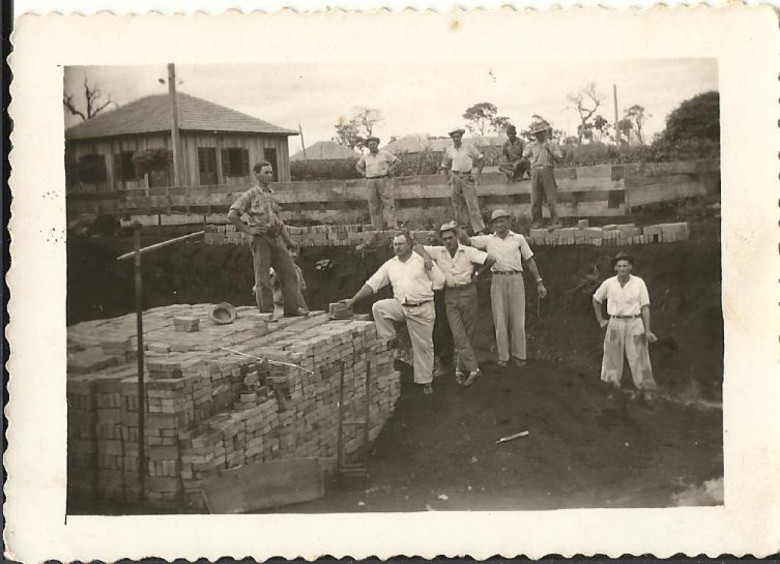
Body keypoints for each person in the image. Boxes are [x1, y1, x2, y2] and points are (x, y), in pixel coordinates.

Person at [345, 233, 445, 395]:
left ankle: (425, 382)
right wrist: (352, 301)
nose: (397, 247)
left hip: (422, 309)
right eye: (395, 245)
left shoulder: (422, 261)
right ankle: (391, 339)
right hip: (401, 306)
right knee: (379, 307)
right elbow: (372, 284)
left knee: (424, 347)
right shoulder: (390, 265)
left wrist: (424, 292)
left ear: (409, 245)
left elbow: (440, 281)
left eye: (400, 244)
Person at [415, 221, 495, 387]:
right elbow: (416, 247)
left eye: (451, 237)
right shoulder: (439, 251)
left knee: (469, 332)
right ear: (441, 240)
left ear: (457, 236)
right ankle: (474, 369)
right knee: (458, 333)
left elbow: (491, 258)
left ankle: (460, 368)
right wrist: (427, 257)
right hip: (450, 296)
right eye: (444, 239)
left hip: (468, 293)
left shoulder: (468, 251)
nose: (448, 241)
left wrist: (478, 273)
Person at [468, 209, 547, 368]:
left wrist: (539, 282)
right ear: (492, 225)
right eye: (496, 222)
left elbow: (530, 261)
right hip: (497, 280)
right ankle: (503, 357)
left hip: (516, 279)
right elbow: (467, 241)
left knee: (518, 319)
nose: (499, 224)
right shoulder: (488, 240)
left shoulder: (518, 239)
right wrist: (455, 229)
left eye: (502, 221)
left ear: (508, 222)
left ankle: (520, 356)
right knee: (500, 319)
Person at [228, 161, 305, 317]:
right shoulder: (250, 194)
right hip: (261, 239)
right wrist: (249, 230)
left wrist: (288, 240)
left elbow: (278, 220)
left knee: (289, 272)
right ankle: (267, 312)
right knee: (263, 277)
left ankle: (292, 309)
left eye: (271, 172)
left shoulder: (271, 194)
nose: (269, 175)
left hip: (276, 237)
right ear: (257, 174)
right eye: (266, 172)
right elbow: (232, 215)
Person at [592, 252, 658, 399]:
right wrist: (601, 320)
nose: (622, 269)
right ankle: (612, 388)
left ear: (630, 267)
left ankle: (647, 391)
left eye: (625, 266)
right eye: (619, 266)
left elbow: (645, 308)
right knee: (612, 357)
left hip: (635, 323)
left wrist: (647, 330)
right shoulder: (609, 283)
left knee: (639, 357)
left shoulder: (639, 283)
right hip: (615, 322)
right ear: (615, 267)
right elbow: (596, 299)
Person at [440, 127, 486, 235]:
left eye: (458, 136)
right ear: (451, 138)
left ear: (461, 137)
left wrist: (477, 175)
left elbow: (481, 160)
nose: (456, 139)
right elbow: (444, 166)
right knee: (458, 205)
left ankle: (479, 230)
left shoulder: (468, 148)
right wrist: (448, 179)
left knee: (472, 204)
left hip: (467, 177)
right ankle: (463, 229)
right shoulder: (450, 150)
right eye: (454, 137)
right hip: (455, 177)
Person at [523, 120, 563, 229]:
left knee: (551, 198)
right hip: (535, 171)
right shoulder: (531, 145)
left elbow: (559, 159)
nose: (539, 135)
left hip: (547, 170)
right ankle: (537, 221)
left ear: (545, 133)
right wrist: (530, 166)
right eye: (537, 133)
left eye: (541, 133)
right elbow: (524, 157)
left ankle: (554, 220)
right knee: (535, 199)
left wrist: (549, 151)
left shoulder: (551, 144)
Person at [356, 137, 401, 230]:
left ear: (377, 144)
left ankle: (392, 225)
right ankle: (377, 227)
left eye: (374, 144)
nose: (372, 146)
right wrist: (364, 173)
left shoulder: (384, 154)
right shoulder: (365, 156)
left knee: (388, 203)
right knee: (373, 205)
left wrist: (390, 170)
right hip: (371, 181)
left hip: (383, 180)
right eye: (370, 145)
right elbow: (358, 166)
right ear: (368, 146)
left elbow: (397, 161)